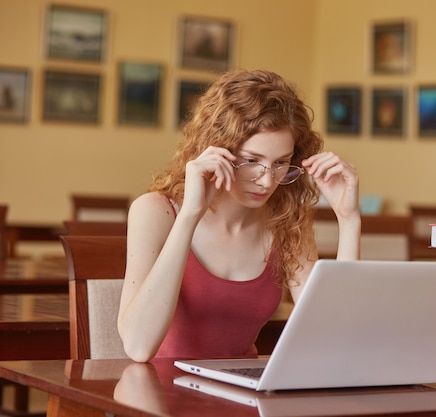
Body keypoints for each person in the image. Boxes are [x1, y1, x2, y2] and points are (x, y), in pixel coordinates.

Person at [117, 69, 361, 362]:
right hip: (159, 396)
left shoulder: (286, 220)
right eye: (251, 160)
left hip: (243, 395)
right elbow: (138, 347)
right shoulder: (155, 211)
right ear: (217, 149)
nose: (267, 181)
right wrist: (190, 216)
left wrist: (348, 220)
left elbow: (335, 333)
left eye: (280, 162)